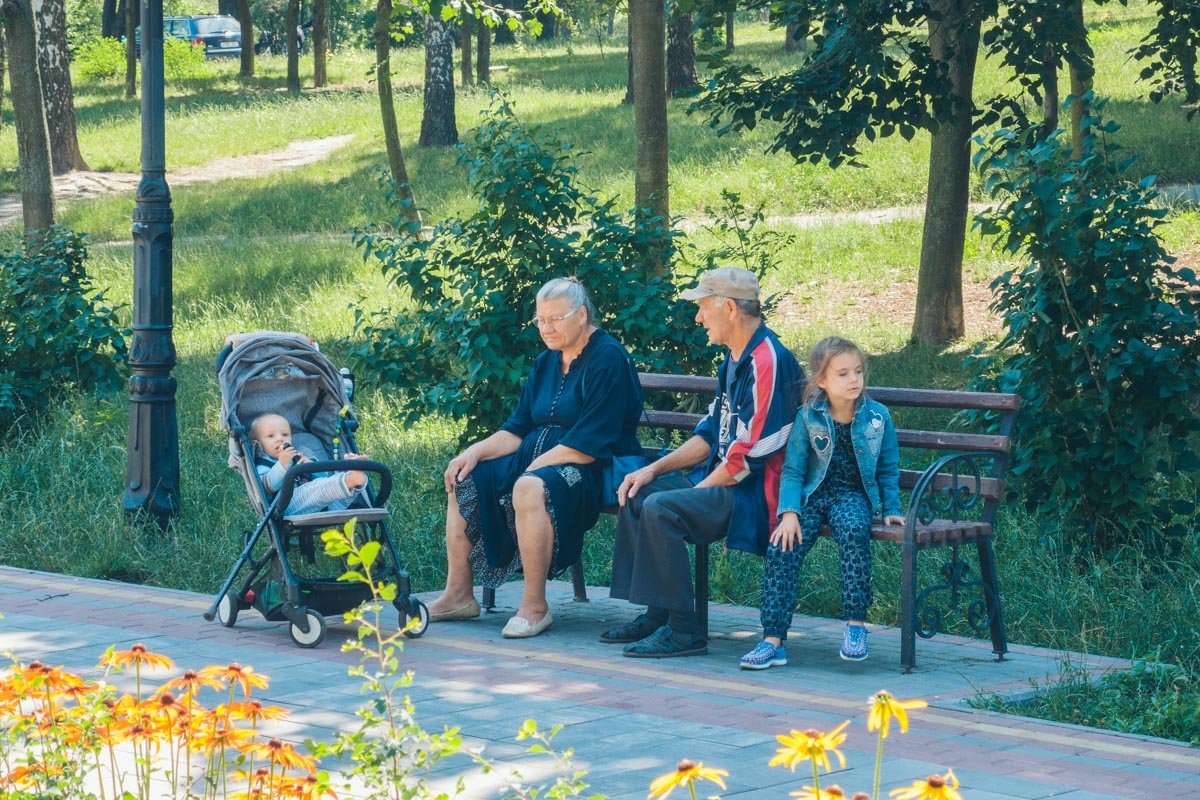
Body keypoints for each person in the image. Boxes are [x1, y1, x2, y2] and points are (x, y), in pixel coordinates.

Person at [424, 278, 644, 639]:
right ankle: (458, 595)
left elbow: (591, 441)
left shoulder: (609, 359)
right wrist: (473, 452)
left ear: (582, 315)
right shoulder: (546, 362)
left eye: (555, 319)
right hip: (537, 462)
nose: (546, 328)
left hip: (590, 467)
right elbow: (518, 428)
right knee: (465, 476)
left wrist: (528, 471)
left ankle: (534, 606)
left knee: (527, 486)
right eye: (540, 320)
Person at [604, 267, 803, 658]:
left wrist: (695, 493)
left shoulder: (768, 360)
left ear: (729, 308)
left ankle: (684, 633)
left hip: (756, 494)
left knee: (662, 508)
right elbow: (710, 433)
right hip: (726, 481)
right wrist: (651, 470)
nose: (697, 318)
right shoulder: (733, 359)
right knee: (639, 491)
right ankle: (658, 614)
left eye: (703, 307)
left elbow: (749, 457)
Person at [740, 336, 903, 668]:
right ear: (822, 380)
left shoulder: (877, 417)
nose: (854, 379)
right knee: (782, 546)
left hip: (852, 496)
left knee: (855, 530)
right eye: (842, 374)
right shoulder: (808, 416)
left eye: (857, 371)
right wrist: (788, 513)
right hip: (812, 497)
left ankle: (856, 625)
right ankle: (773, 639)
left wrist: (892, 509)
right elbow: (793, 469)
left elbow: (887, 469)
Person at [250, 413, 369, 515]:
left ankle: (354, 479)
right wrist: (282, 465)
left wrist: (309, 466)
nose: (280, 439)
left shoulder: (297, 456)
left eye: (285, 434)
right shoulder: (263, 464)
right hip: (286, 505)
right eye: (271, 436)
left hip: (322, 503)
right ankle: (350, 479)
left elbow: (323, 477)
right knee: (315, 490)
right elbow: (267, 486)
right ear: (258, 443)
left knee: (336, 491)